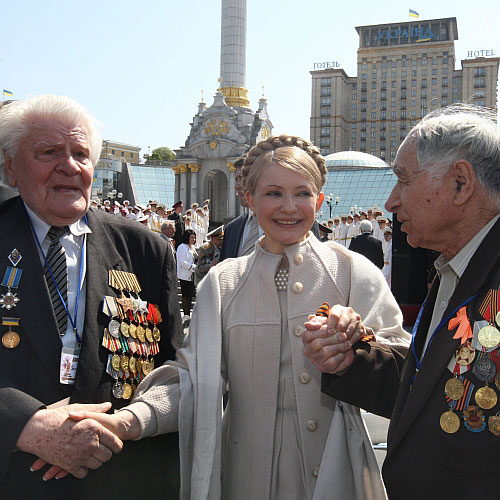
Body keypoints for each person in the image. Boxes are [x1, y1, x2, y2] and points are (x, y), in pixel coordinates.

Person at [67, 134, 409, 500]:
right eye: (273, 193)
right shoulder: (223, 282)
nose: (289, 207)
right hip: (245, 479)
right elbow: (192, 380)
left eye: (303, 193)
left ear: (320, 200)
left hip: (335, 473)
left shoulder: (353, 272)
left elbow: (402, 365)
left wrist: (358, 343)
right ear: (250, 199)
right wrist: (130, 420)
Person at [302, 104, 500, 499]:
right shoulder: (455, 268)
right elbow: (435, 386)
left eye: (404, 180)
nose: (391, 201)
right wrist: (351, 360)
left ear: (461, 183)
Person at [0, 94, 181, 499]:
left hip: (117, 478)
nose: (69, 165)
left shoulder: (146, 250)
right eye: (49, 152)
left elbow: (175, 370)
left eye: (80, 154)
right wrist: (22, 424)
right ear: (11, 168)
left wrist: (127, 423)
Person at [176, 228, 197, 317]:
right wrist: (193, 267)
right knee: (185, 295)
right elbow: (181, 261)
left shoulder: (193, 247)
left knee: (191, 295)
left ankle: (188, 314)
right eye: (191, 237)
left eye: (194, 238)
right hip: (185, 275)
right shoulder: (182, 247)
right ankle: (186, 315)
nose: (193, 239)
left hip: (192, 276)